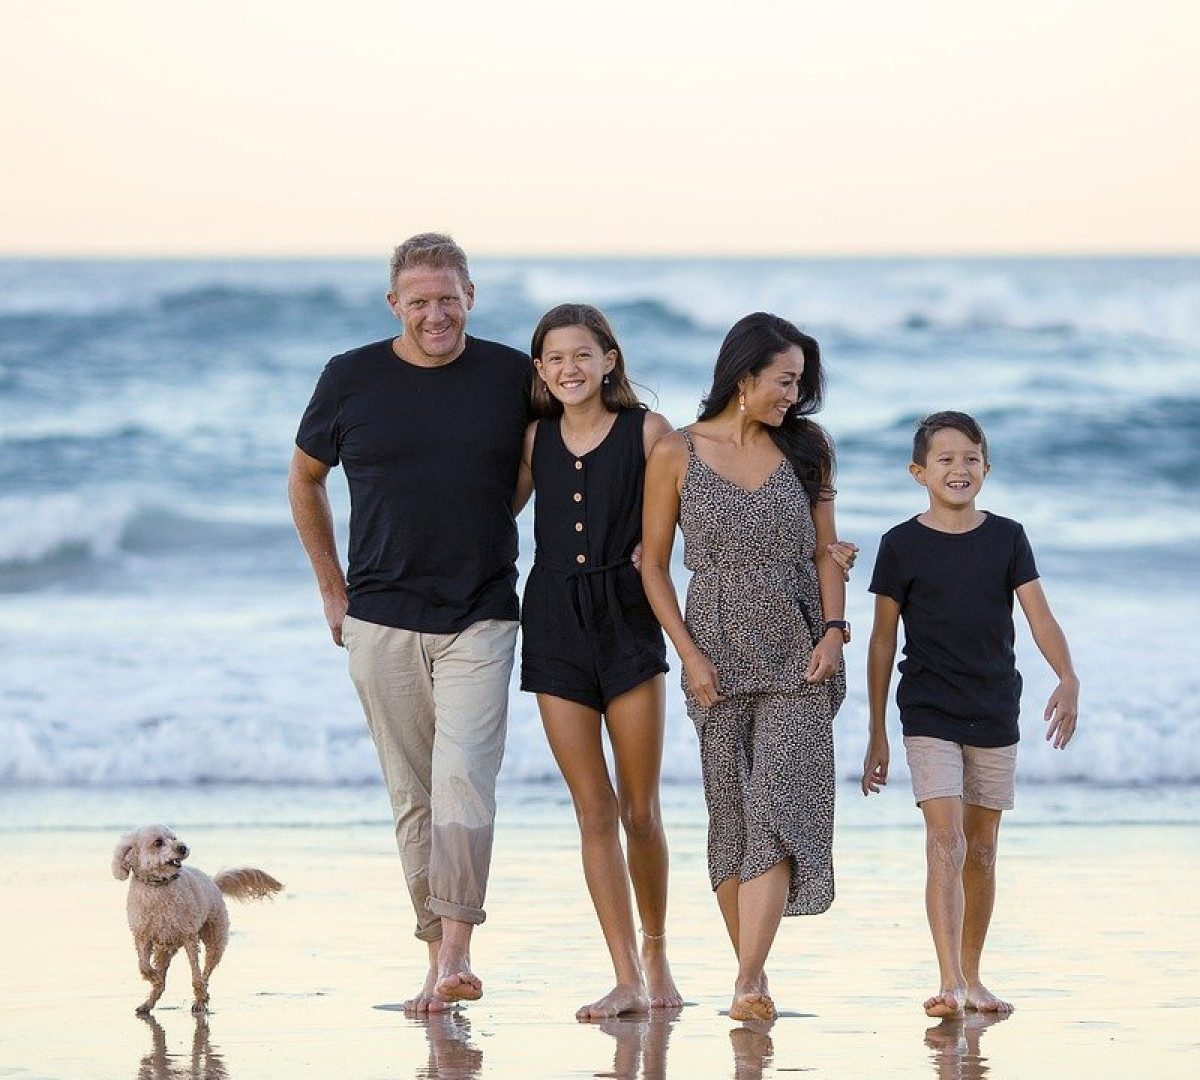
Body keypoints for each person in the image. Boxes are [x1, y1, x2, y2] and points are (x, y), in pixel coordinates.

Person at [288, 233, 530, 1013]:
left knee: (465, 782)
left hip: (482, 613)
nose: (436, 314)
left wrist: (494, 521)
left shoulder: (510, 374)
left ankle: (456, 950)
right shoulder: (349, 377)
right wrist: (333, 590)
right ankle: (437, 961)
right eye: (419, 301)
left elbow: (554, 452)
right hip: (380, 617)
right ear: (394, 304)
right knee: (413, 795)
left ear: (471, 296)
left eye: (448, 298)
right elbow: (305, 478)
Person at [640, 312, 853, 1023]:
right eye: (784, 381)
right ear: (744, 376)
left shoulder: (808, 448)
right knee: (730, 821)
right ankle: (750, 982)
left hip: (800, 651)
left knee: (778, 808)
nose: (793, 395)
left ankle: (749, 979)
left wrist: (834, 631)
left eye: (799, 383)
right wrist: (689, 655)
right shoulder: (675, 453)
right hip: (716, 655)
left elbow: (827, 551)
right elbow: (653, 567)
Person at [860, 410, 1079, 1019]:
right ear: (918, 471)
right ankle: (949, 981)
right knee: (945, 841)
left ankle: (975, 977)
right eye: (945, 460)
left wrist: (1067, 676)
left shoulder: (1008, 537)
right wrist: (876, 729)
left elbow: (1039, 616)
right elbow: (882, 641)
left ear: (987, 466)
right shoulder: (899, 545)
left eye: (971, 459)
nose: (959, 469)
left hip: (993, 708)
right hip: (927, 710)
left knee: (982, 851)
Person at [513, 303, 681, 1019]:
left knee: (640, 810)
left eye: (582, 354)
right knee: (592, 808)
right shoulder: (533, 439)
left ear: (609, 359)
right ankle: (623, 976)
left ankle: (655, 951)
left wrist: (660, 550)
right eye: (554, 358)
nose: (568, 369)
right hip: (552, 620)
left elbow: (687, 512)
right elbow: (488, 517)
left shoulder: (649, 431)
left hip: (627, 618)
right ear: (541, 371)